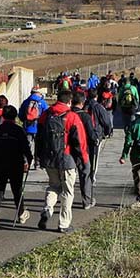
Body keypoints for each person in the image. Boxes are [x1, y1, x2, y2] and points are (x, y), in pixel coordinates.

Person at [35, 89, 89, 233]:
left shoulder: (46, 115)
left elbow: (38, 136)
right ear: (69, 101)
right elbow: (80, 141)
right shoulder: (72, 117)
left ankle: (47, 209)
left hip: (49, 159)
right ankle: (63, 223)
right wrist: (83, 159)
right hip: (66, 159)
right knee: (67, 191)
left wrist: (38, 156)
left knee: (53, 186)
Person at [0, 105, 32, 227]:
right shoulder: (18, 130)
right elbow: (25, 148)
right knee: (17, 189)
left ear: (3, 116)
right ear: (15, 116)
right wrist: (29, 159)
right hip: (15, 163)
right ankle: (21, 214)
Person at [70, 91, 99, 210]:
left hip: (68, 149)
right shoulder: (85, 116)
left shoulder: (68, 114)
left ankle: (66, 199)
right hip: (83, 149)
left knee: (69, 176)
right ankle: (86, 200)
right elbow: (91, 134)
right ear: (82, 103)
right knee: (85, 175)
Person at [18, 85, 49, 167]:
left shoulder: (26, 102)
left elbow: (20, 114)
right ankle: (37, 162)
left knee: (28, 144)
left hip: (28, 127)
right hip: (39, 127)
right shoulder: (42, 102)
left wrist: (25, 121)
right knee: (39, 145)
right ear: (39, 93)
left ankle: (26, 161)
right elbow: (47, 115)